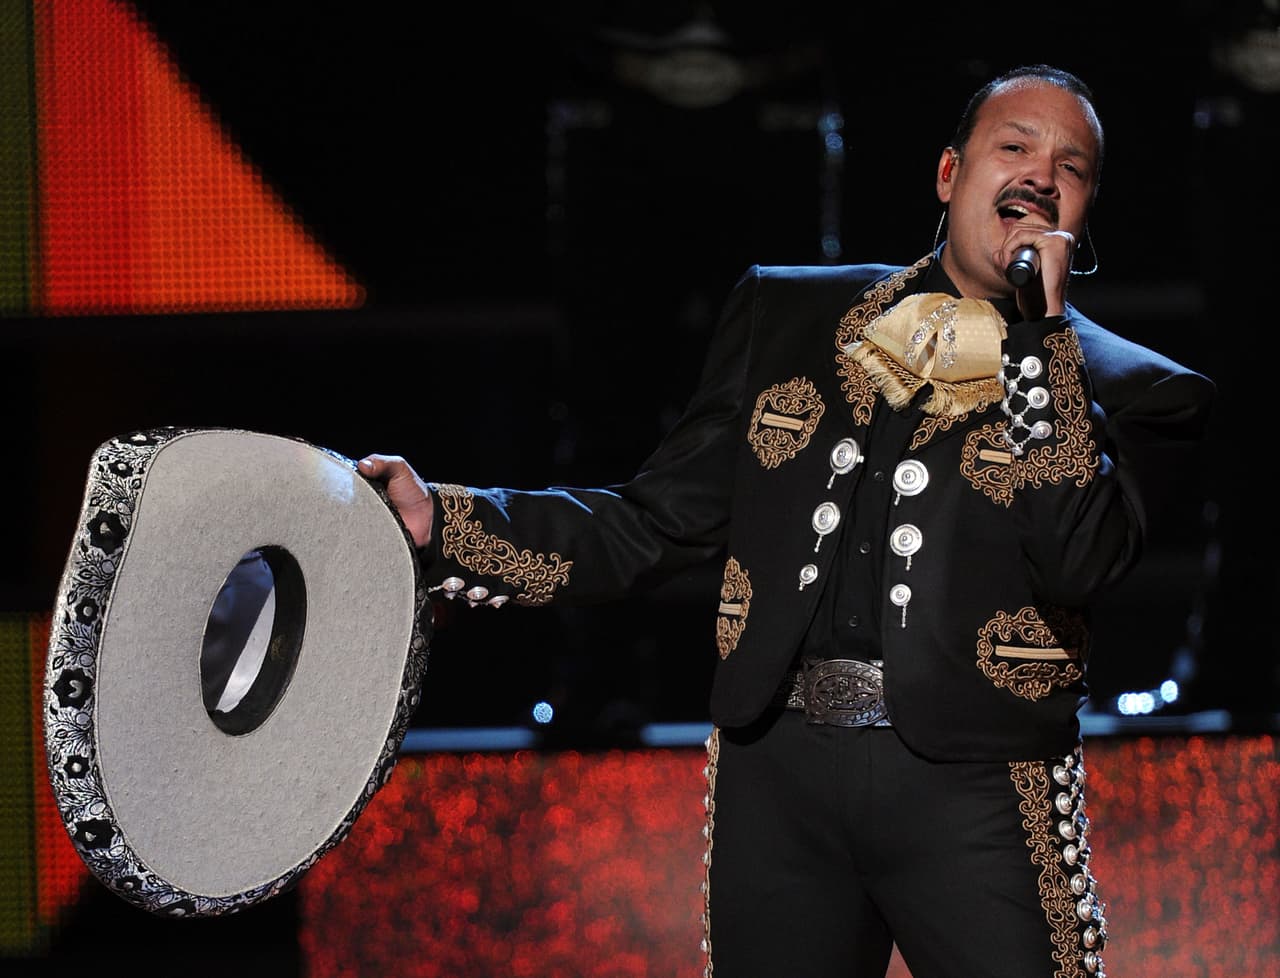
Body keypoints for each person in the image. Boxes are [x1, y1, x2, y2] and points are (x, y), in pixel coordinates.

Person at [357, 64, 1215, 978]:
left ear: (1083, 217)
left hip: (979, 793)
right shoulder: (791, 314)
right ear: (948, 174)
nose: (1040, 173)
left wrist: (1042, 346)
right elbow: (650, 525)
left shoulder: (1138, 392)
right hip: (780, 778)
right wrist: (443, 522)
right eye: (1014, 146)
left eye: (1069, 166)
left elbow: (1078, 562)